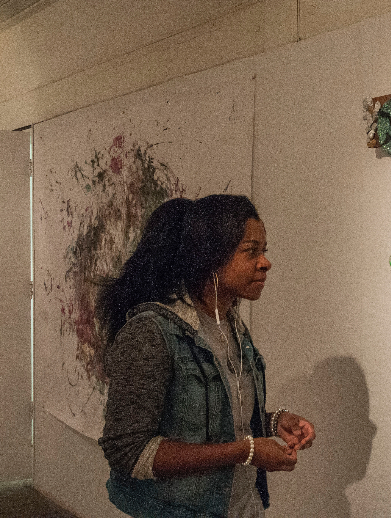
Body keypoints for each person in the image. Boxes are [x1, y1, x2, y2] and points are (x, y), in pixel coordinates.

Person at [97, 194, 315, 517]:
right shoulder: (153, 332)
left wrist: (273, 422)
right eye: (251, 251)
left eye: (264, 251)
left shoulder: (231, 325)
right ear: (211, 258)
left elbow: (211, 417)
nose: (265, 262)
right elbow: (129, 452)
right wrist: (246, 451)